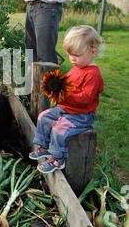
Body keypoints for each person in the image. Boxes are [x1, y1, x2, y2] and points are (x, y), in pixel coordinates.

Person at [28, 25, 104, 173]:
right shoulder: (76, 68)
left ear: (93, 51)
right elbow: (64, 84)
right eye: (70, 54)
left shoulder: (93, 74)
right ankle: (45, 146)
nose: (72, 59)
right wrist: (54, 90)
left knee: (59, 128)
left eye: (76, 55)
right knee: (43, 117)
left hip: (81, 115)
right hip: (65, 109)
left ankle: (57, 158)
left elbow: (86, 98)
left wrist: (63, 97)